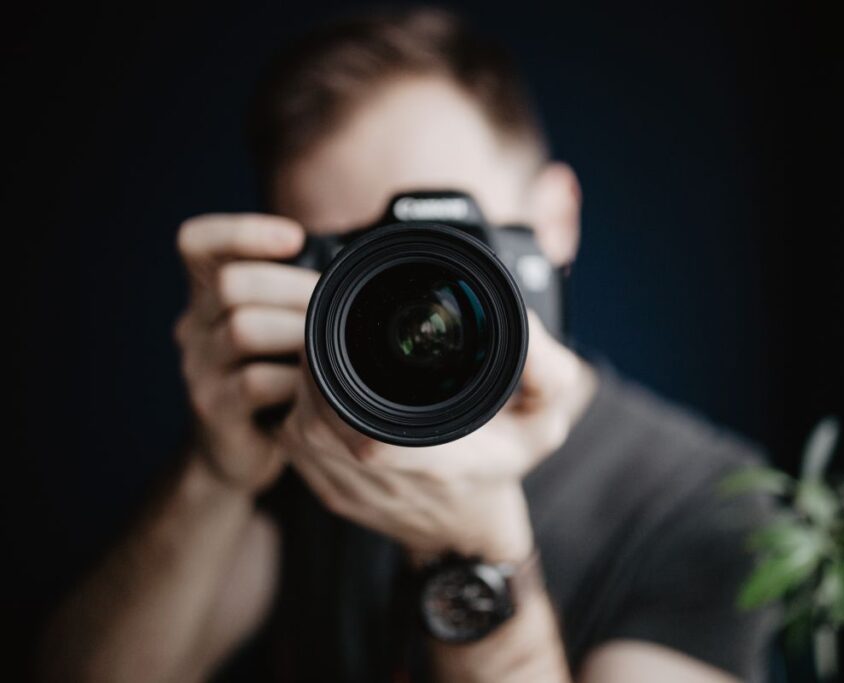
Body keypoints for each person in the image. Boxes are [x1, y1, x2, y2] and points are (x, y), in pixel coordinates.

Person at [38, 8, 774, 682]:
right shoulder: (305, 434)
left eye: (444, 243)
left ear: (554, 221)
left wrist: (477, 551)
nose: (413, 295)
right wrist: (215, 468)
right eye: (359, 261)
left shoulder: (709, 506)